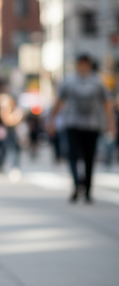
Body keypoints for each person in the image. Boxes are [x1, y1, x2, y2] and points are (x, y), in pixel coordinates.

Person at [49, 55, 116, 202]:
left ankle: (87, 190)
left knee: (89, 158)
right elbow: (59, 102)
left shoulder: (98, 82)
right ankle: (76, 184)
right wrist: (51, 121)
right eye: (81, 64)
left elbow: (107, 104)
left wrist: (111, 124)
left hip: (92, 125)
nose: (83, 67)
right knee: (72, 155)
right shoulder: (69, 81)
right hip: (73, 124)